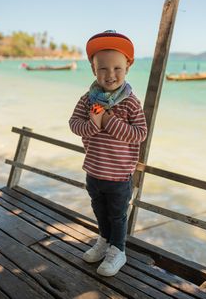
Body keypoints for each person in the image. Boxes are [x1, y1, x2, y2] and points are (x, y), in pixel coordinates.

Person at [69, 30, 147, 276]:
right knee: (99, 210)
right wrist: (93, 124)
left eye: (117, 69)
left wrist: (108, 122)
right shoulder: (88, 99)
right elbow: (74, 125)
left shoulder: (130, 102)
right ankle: (103, 241)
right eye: (103, 68)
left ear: (127, 67)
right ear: (93, 69)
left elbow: (139, 134)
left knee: (117, 215)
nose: (110, 75)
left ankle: (118, 250)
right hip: (94, 170)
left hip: (119, 175)